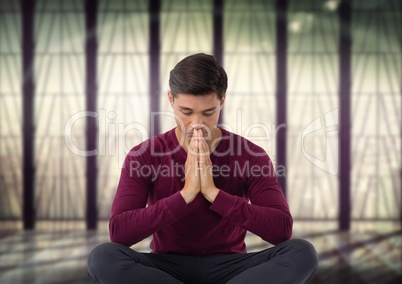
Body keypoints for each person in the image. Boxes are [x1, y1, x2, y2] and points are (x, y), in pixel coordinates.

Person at [87, 53, 318, 284]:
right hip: (167, 266)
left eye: (208, 113)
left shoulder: (251, 155)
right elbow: (119, 233)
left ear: (222, 102)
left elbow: (281, 230)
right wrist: (186, 194)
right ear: (171, 100)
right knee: (103, 257)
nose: (197, 123)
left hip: (231, 266)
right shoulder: (144, 155)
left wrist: (212, 192)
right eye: (186, 112)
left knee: (301, 252)